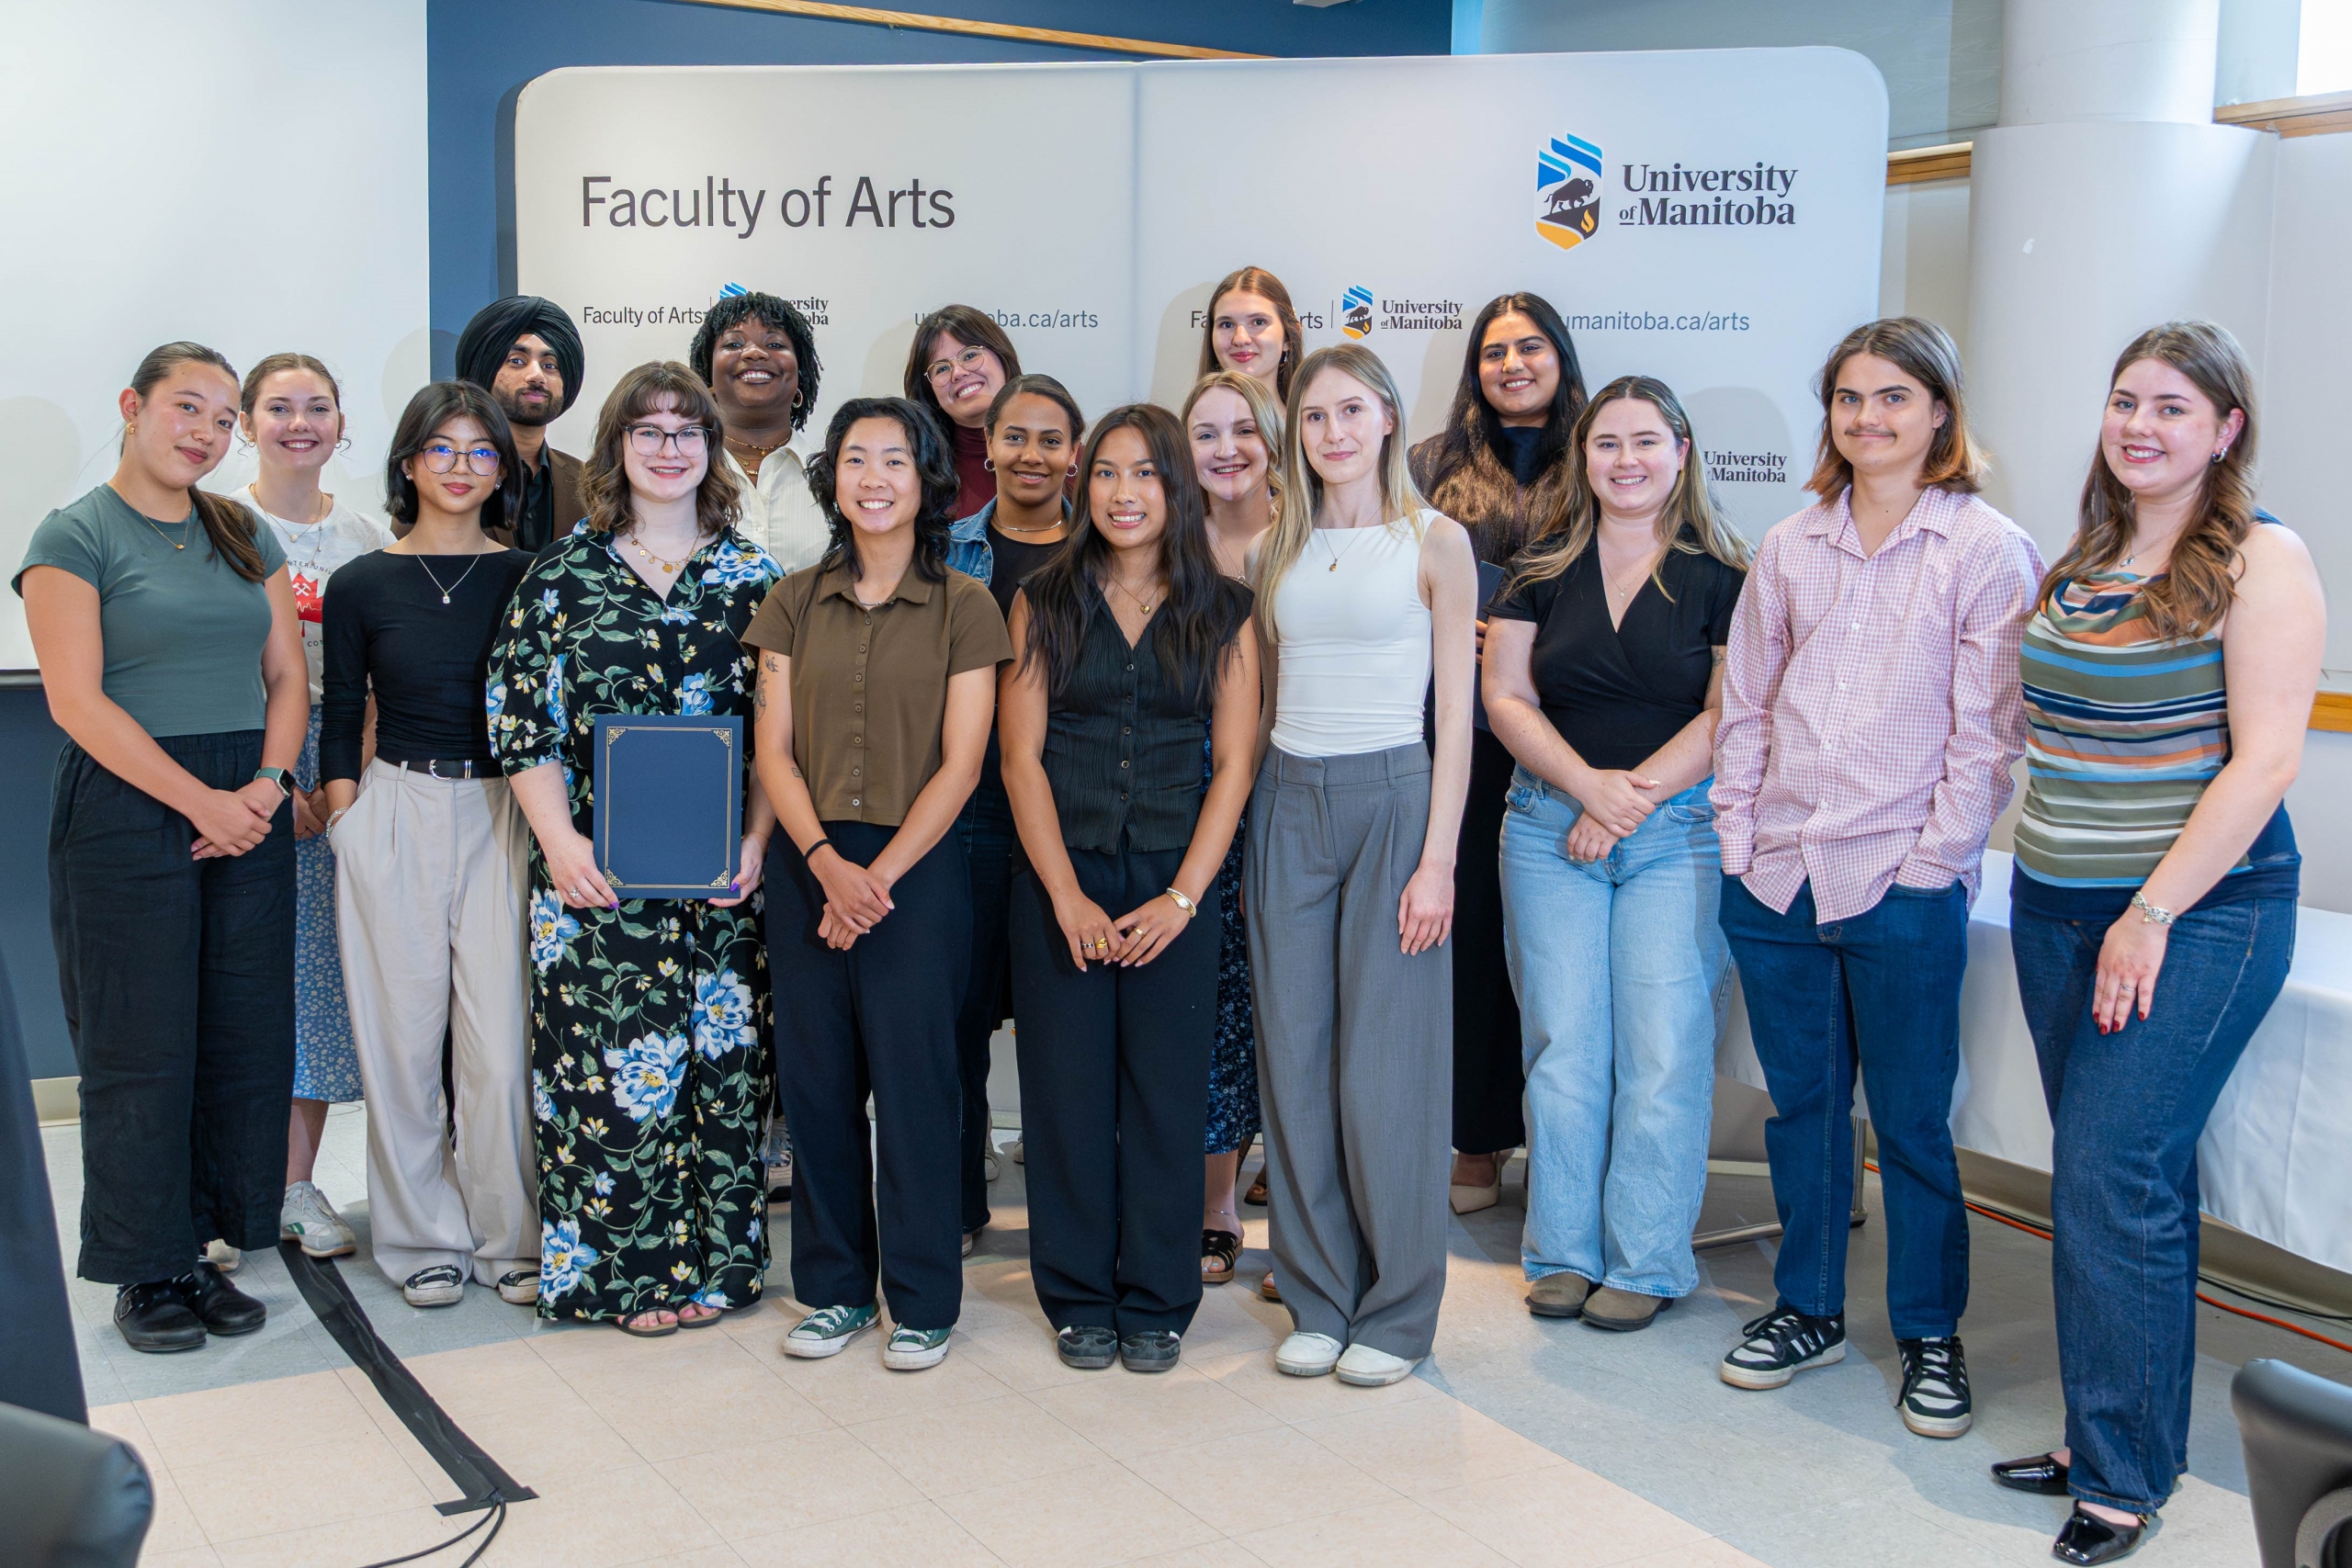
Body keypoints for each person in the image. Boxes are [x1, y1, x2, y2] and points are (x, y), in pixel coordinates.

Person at [1992, 322, 2321, 1566]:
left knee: (2107, 1175)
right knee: (2131, 1183)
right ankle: (2112, 1433)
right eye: (2127, 401)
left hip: (2199, 910)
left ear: (2227, 428)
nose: (2141, 425)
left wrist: (2150, 910)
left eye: (2173, 407)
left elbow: (2268, 759)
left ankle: (2121, 1476)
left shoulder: (2261, 558)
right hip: (2054, 901)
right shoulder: (2087, 553)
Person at [1712, 317, 2042, 1438]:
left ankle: (1928, 1332)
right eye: (1849, 399)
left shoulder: (1986, 549)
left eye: (1893, 397)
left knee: (1908, 1122)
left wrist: (1930, 866)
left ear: (1939, 413)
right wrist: (1739, 843)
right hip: (1777, 879)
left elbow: (1988, 736)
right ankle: (1802, 1306)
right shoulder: (1791, 545)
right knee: (1802, 1111)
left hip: (1903, 882)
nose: (1868, 419)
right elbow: (1747, 706)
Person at [17, 342, 307, 1352]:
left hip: (247, 803)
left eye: (224, 419)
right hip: (130, 805)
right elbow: (77, 702)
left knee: (239, 1034)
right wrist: (203, 805)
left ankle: (206, 1244)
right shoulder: (73, 534)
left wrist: (264, 791)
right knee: (138, 1046)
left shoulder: (240, 530)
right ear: (134, 407)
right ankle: (147, 1270)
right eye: (188, 408)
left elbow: (287, 679)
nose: (206, 433)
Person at [489, 362, 782, 1335]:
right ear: (617, 446)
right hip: (591, 878)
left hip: (721, 883)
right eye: (647, 430)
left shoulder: (756, 580)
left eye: (686, 430)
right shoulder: (560, 578)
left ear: (711, 448)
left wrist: (756, 841)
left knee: (719, 1074)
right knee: (606, 1075)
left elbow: (786, 734)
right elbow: (521, 725)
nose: (668, 448)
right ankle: (619, 1279)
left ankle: (716, 1270)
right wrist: (559, 842)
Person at [747, 397, 1010, 1372]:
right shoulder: (788, 601)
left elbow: (963, 762)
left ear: (925, 480)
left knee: (915, 1087)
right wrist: (823, 865)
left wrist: (878, 876)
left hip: (920, 870)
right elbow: (771, 753)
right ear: (833, 481)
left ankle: (924, 1298)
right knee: (815, 1086)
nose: (873, 478)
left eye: (893, 460)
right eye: (855, 460)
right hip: (807, 864)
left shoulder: (964, 604)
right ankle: (830, 1290)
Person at [1485, 376, 1747, 1332]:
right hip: (1545, 826)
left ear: (1681, 451)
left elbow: (1728, 715)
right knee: (1562, 1046)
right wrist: (1585, 790)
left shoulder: (1726, 574)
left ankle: (1644, 1258)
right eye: (1606, 444)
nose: (1625, 461)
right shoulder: (1536, 569)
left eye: (1645, 442)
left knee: (1664, 1051)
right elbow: (1507, 698)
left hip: (1675, 832)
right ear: (1582, 457)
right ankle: (1560, 1251)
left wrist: (1624, 799)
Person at [1001, 403, 1259, 1372]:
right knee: (1066, 1094)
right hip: (1060, 877)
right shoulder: (1043, 599)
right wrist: (1063, 895)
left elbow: (1233, 764)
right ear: (1081, 483)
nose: (1122, 493)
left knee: (1164, 1097)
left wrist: (1185, 899)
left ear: (1176, 489)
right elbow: (1020, 759)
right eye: (1105, 473)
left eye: (1145, 474)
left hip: (1173, 881)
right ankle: (1076, 1295)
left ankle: (1158, 1296)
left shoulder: (1224, 610)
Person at [1250, 343, 1478, 1387]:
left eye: (1352, 410)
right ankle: (1316, 1294)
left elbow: (1458, 720)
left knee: (1385, 1075)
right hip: (1288, 802)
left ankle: (1393, 1314)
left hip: (1394, 802)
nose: (1333, 432)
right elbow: (1255, 705)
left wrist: (1437, 863)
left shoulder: (1435, 542)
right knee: (1293, 1063)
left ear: (1389, 417)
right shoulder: (1274, 546)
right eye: (1313, 417)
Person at [322, 382, 538, 1309]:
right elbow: (340, 714)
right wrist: (344, 818)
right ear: (409, 462)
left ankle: (511, 1237)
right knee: (401, 1043)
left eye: (480, 451)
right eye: (441, 449)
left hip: (508, 814)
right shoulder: (361, 581)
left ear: (503, 469)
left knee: (500, 1051)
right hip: (397, 808)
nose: (461, 467)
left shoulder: (532, 573)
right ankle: (419, 1242)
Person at [1408, 291, 1589, 1213]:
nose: (1512, 363)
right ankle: (1475, 1141)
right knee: (1473, 942)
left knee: (1561, 955)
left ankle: (1563, 1152)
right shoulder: (1427, 468)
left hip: (1573, 740)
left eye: (1529, 346)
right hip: (1460, 744)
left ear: (1559, 355)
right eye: (1493, 350)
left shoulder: (1603, 454)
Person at [233, 352, 391, 1263]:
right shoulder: (221, 525)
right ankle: (231, 1184)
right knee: (240, 992)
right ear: (247, 423)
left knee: (317, 995)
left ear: (340, 427)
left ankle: (296, 1187)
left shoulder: (365, 536)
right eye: (279, 408)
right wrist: (273, 775)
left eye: (318, 408)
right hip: (239, 773)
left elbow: (376, 678)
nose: (300, 423)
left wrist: (338, 783)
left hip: (340, 780)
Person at [941, 374, 1088, 1254]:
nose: (1032, 455)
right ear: (987, 446)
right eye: (1015, 438)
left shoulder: (1108, 547)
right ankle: (957, 1202)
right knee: (956, 1015)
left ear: (1075, 452)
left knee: (1063, 1024)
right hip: (966, 814)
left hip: (1075, 812)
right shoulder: (947, 549)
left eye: (1051, 439)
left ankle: (1067, 1218)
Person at [1181, 370, 1281, 1283]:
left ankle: (1295, 1199)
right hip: (1193, 801)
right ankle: (1215, 1201)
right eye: (1204, 433)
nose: (1224, 450)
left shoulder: (1310, 540)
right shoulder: (1168, 543)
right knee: (1212, 1006)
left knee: (1285, 1009)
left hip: (1297, 795)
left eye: (1242, 431)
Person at [689, 288, 831, 574]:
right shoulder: (679, 472)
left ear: (800, 374)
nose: (754, 352)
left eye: (775, 344)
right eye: (733, 344)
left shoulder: (837, 478)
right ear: (708, 377)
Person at [453, 294, 587, 552]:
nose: (536, 375)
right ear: (484, 369)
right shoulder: (447, 472)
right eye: (517, 361)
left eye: (550, 365)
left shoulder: (589, 484)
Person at [902, 305, 1022, 518]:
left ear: (1001, 355)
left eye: (970, 356)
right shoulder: (918, 473)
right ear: (930, 392)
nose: (958, 373)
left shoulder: (1067, 457)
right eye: (942, 368)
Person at [1197, 266, 1304, 406]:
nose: (1240, 339)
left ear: (1289, 337)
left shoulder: (1310, 427)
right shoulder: (1189, 426)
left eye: (1258, 322)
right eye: (1227, 325)